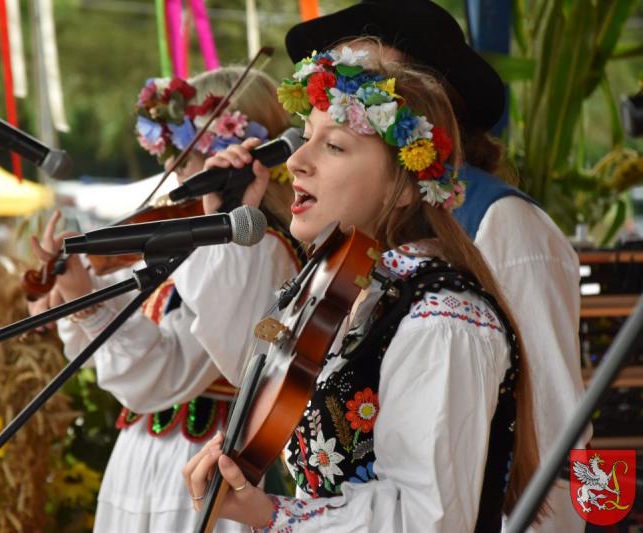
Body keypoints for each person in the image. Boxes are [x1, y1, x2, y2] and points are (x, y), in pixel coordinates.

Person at [183, 45, 540, 532]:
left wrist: (273, 514)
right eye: (306, 137)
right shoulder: (347, 292)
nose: (297, 161)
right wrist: (227, 224)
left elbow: (427, 520)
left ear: (405, 184)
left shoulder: (441, 320)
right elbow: (248, 369)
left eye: (334, 146)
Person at [280, 2, 587, 530]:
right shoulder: (363, 263)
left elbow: (552, 422)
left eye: (367, 75)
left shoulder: (502, 221)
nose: (342, 82)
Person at [29, 67, 303, 532]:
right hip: (146, 460)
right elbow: (109, 352)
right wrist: (74, 295)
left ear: (240, 152)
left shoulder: (255, 249)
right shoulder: (185, 242)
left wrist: (88, 305)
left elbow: (163, 375)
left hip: (206, 462)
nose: (173, 169)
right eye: (170, 152)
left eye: (187, 152)